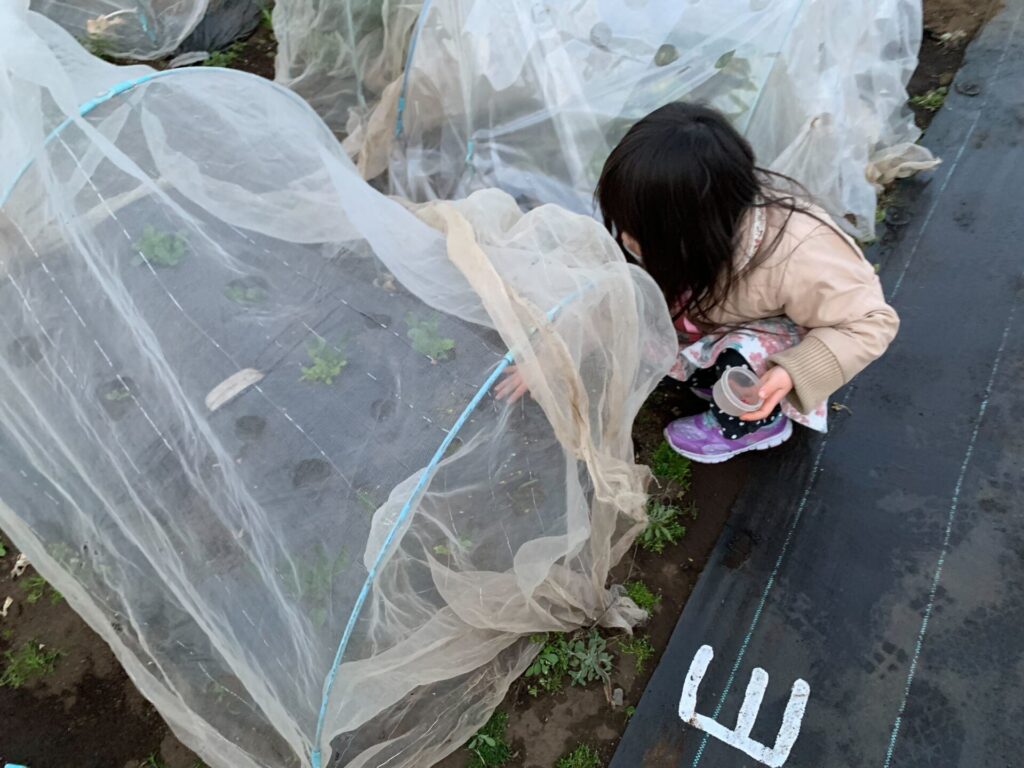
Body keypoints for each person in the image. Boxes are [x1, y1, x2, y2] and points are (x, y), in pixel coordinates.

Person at [496, 102, 898, 463]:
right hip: (706, 320)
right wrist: (552, 355)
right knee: (641, 316)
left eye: (640, 230)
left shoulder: (797, 250)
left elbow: (870, 322)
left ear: (696, 228)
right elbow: (613, 299)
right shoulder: (678, 236)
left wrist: (793, 372)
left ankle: (754, 424)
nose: (626, 239)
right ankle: (709, 373)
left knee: (749, 360)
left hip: (762, 338)